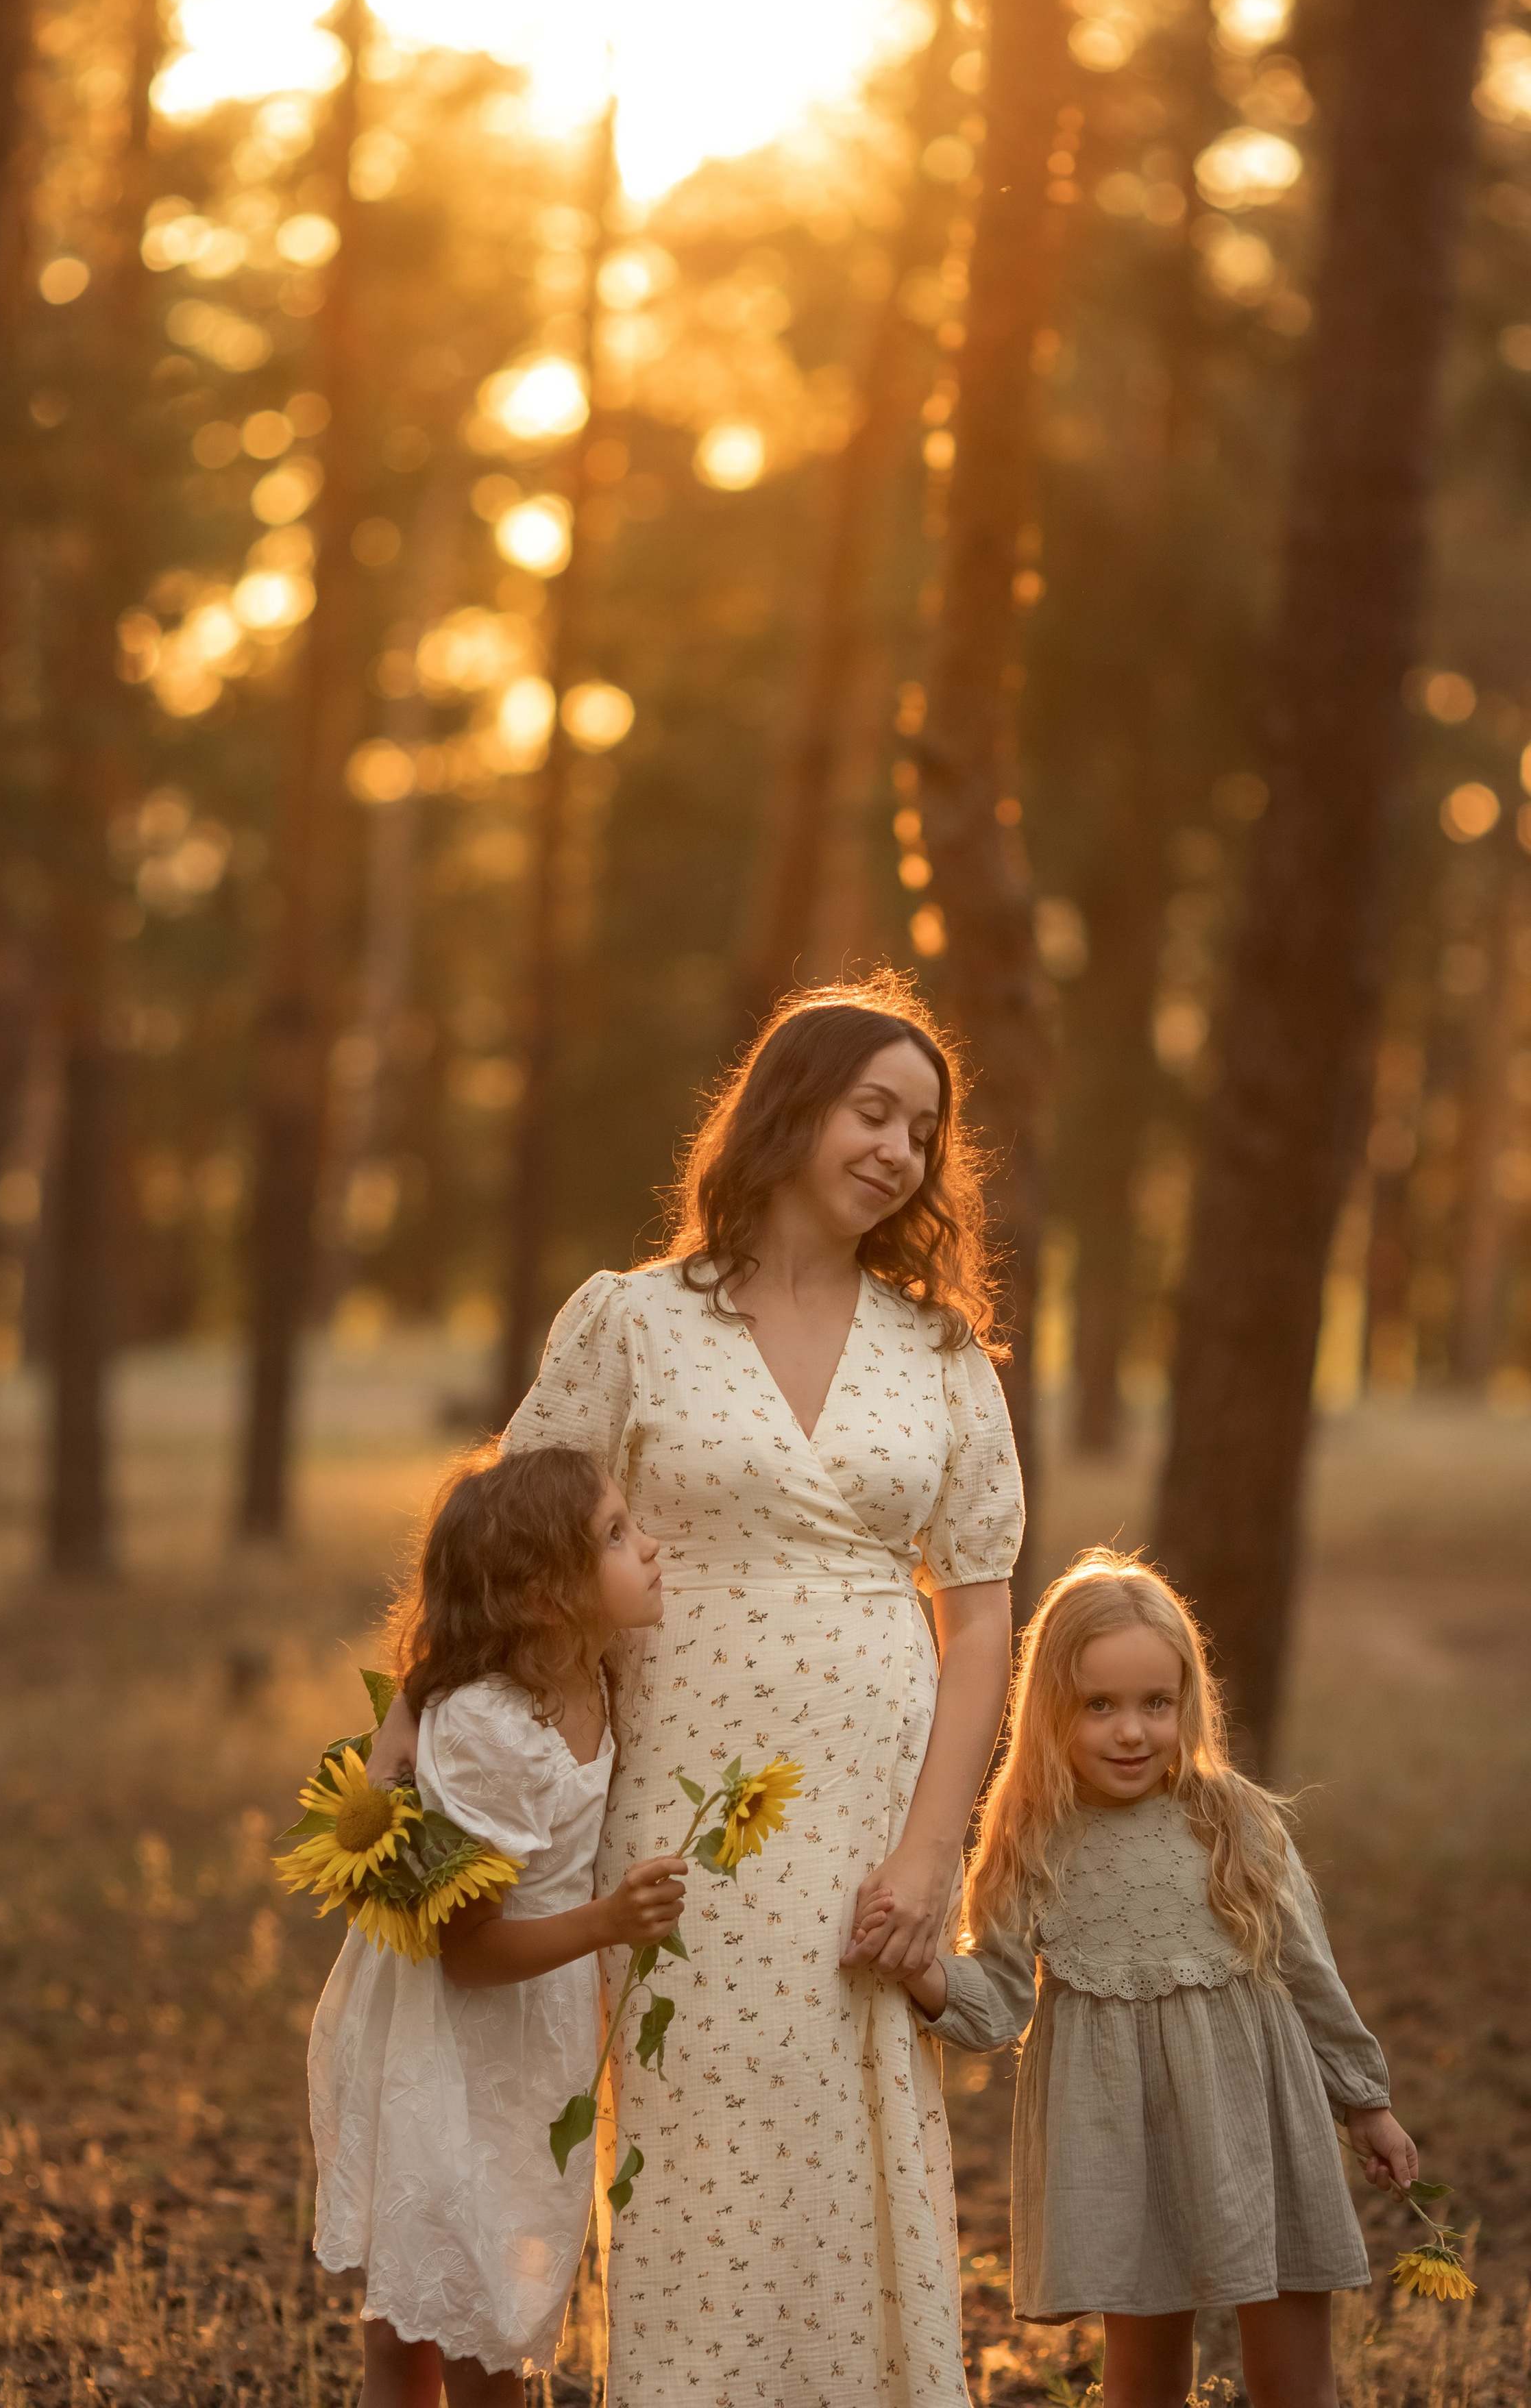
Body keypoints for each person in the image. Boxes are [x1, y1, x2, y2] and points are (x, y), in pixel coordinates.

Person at [414, 974, 1024, 2405]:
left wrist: (933, 1849)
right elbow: (510, 1551)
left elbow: (983, 1610)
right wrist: (445, 1766)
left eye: (923, 1129)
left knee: (852, 2131)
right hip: (681, 1795)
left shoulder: (939, 1355)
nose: (897, 1149)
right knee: (697, 2136)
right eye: (871, 1111)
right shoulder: (633, 1322)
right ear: (787, 1111)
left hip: (872, 1803)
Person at [877, 1549, 1416, 2408]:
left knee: (1294, 2379)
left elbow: (1309, 1970)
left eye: (1154, 1705)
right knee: (1143, 2383)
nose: (1131, 1732)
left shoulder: (1231, 1817)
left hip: (1258, 2119)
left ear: (1186, 1703)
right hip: (1123, 2140)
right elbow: (997, 2002)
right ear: (1050, 1710)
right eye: (1099, 1706)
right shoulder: (1030, 1842)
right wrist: (918, 1972)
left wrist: (1366, 2101)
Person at [306, 1444, 686, 2408]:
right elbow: (466, 1957)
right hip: (457, 2043)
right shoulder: (491, 1729)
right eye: (616, 1533)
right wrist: (607, 1923)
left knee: (479, 2302)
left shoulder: (590, 1671)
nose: (649, 1546)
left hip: (532, 2037)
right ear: (546, 1596)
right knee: (454, 2319)